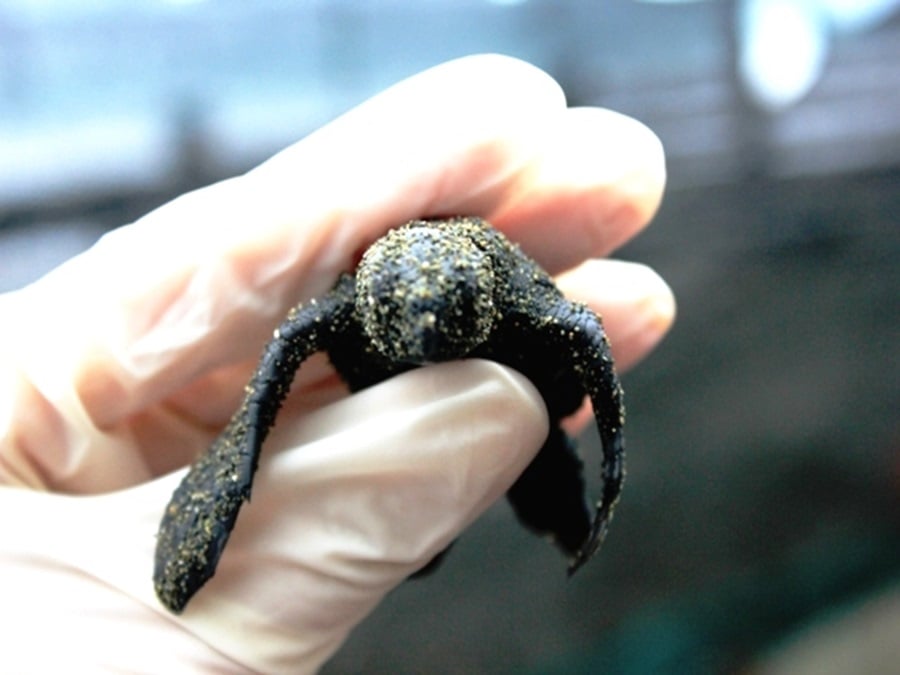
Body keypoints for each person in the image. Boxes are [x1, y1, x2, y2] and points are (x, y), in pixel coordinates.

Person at [0, 55, 674, 672]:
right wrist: (221, 490)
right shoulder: (349, 305)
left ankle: (562, 515)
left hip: (513, 365)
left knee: (543, 455)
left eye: (446, 312)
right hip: (394, 373)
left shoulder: (506, 286)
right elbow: (270, 379)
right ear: (380, 305)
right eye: (413, 317)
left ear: (477, 293)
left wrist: (613, 466)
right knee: (462, 489)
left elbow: (581, 329)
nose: (430, 330)